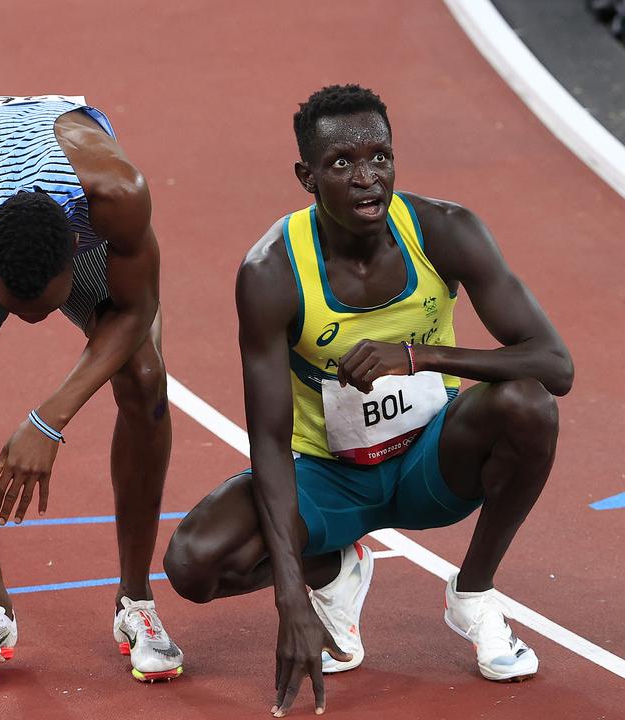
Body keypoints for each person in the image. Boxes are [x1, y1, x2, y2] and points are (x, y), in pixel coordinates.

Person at [163, 84, 572, 716]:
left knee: (528, 405)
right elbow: (268, 441)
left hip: (432, 460)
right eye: (342, 164)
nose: (367, 178)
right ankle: (335, 574)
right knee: (193, 564)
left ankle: (475, 595)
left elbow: (555, 364)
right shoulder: (272, 272)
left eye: (380, 157)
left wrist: (418, 355)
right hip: (327, 476)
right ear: (307, 177)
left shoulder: (444, 231)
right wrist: (291, 598)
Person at [0, 95, 182, 704]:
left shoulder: (119, 197)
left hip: (75, 213)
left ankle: (136, 599)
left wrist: (48, 420)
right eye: (16, 304)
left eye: (46, 306)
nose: (32, 321)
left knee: (146, 383)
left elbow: (136, 308)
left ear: (74, 263)